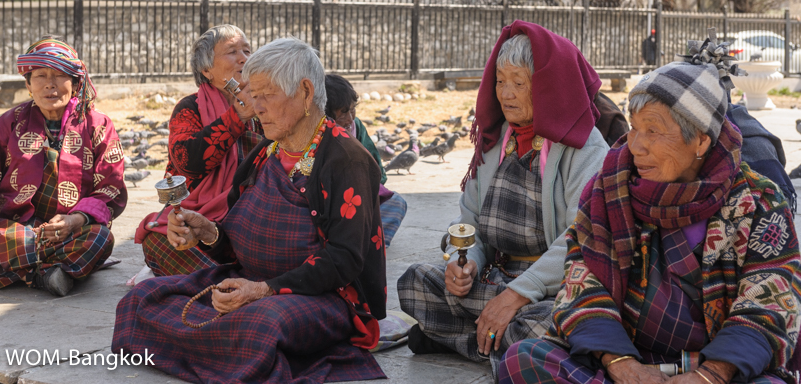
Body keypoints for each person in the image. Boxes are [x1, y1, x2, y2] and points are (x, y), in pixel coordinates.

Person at [499, 61, 801, 384]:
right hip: (628, 360)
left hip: (716, 369)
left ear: (700, 141)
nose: (635, 145)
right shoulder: (609, 188)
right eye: (634, 127)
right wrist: (622, 364)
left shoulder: (758, 202)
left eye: (653, 130)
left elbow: (768, 304)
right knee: (522, 359)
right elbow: (581, 279)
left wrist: (709, 375)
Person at [113, 37, 387, 383]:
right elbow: (236, 241)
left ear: (305, 93)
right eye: (252, 96)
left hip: (320, 297)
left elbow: (345, 259)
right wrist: (207, 231)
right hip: (251, 281)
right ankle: (226, 351)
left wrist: (265, 290)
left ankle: (222, 347)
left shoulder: (345, 159)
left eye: (266, 95)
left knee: (261, 325)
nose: (256, 107)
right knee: (142, 298)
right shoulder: (264, 153)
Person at [397, 21, 610, 378]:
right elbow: (468, 222)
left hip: (546, 292)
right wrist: (464, 263)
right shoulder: (496, 140)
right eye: (500, 81)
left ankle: (462, 337)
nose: (505, 93)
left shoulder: (585, 148)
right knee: (414, 283)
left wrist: (515, 296)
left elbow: (580, 238)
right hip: (494, 276)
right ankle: (494, 342)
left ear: (544, 87)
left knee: (549, 323)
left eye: (518, 82)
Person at [0, 37, 126, 296]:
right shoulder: (7, 124)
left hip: (71, 230)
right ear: (29, 85)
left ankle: (6, 267)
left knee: (100, 239)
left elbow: (110, 189)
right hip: (12, 227)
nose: (50, 85)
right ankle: (46, 274)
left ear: (76, 84)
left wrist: (75, 220)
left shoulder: (98, 125)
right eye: (40, 76)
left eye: (59, 75)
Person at [135, 24, 262, 277]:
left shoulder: (263, 105)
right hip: (197, 216)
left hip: (248, 214)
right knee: (161, 240)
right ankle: (229, 285)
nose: (244, 58)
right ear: (206, 69)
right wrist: (237, 116)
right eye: (232, 51)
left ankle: (215, 285)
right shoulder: (190, 108)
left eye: (247, 51)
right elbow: (187, 161)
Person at [324, 73, 408, 247]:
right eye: (342, 113)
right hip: (333, 206)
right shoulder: (320, 134)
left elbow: (376, 169)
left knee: (396, 203)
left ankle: (368, 247)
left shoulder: (357, 127)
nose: (349, 119)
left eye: (352, 109)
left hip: (361, 198)